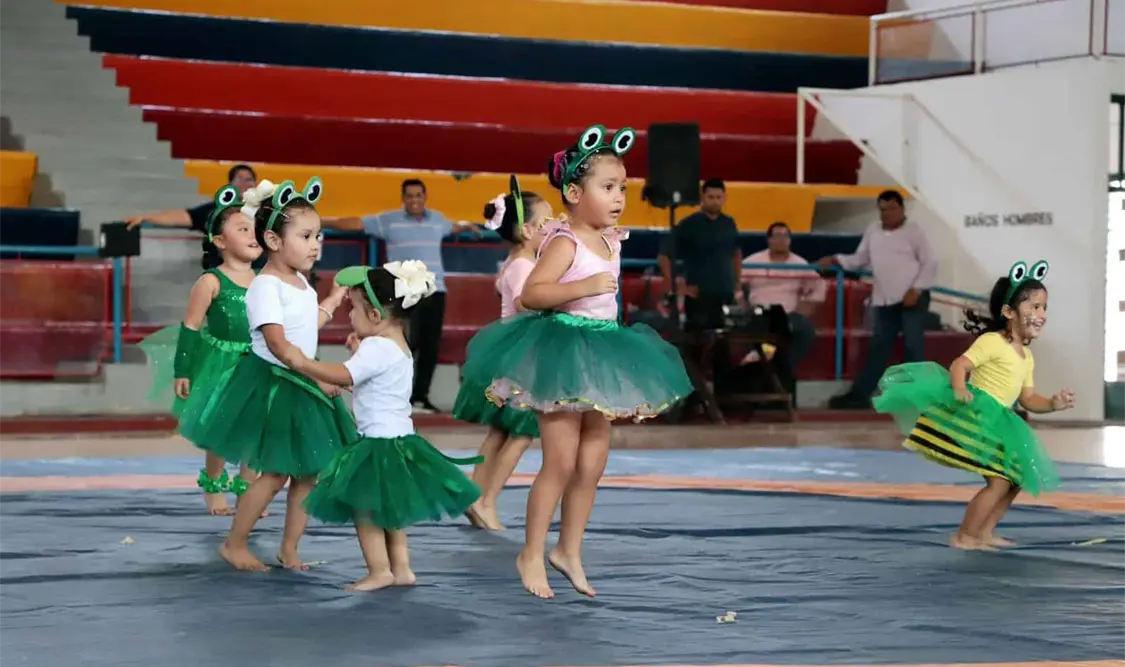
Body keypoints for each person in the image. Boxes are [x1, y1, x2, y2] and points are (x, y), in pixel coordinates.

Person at [458, 124, 693, 599]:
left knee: (592, 462)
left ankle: (568, 549)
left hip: (602, 352)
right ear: (572, 192)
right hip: (563, 353)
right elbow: (532, 294)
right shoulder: (564, 241)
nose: (619, 197)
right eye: (608, 188)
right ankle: (530, 551)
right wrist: (582, 288)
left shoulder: (612, 240)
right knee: (559, 461)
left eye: (622, 188)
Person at [187, 177, 357, 572]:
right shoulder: (264, 285)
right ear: (275, 241)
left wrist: (330, 302)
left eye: (319, 235)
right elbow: (279, 345)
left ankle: (290, 548)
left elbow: (304, 327)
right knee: (276, 471)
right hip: (279, 384)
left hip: (302, 380)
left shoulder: (300, 282)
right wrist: (319, 375)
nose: (316, 244)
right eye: (306, 235)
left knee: (308, 472)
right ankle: (235, 542)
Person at [282, 263, 482, 592]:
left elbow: (346, 376)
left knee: (365, 508)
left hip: (377, 443)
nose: (350, 317)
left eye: (354, 310)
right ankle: (401, 568)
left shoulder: (376, 348)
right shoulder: (398, 345)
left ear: (375, 315)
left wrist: (304, 363)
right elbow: (372, 383)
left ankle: (379, 570)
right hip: (401, 440)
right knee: (391, 510)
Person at [872, 260, 1073, 550]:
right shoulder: (992, 342)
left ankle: (984, 532)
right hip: (978, 416)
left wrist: (1053, 403)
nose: (1040, 314)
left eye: (1043, 308)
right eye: (1033, 307)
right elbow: (960, 364)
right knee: (999, 481)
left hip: (1001, 420)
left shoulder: (1026, 356)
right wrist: (959, 387)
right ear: (1008, 312)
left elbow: (1028, 399)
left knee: (1014, 480)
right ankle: (965, 535)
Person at [137, 183, 263, 515]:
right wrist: (183, 369)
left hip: (258, 364)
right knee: (219, 431)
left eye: (255, 229)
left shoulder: (266, 280)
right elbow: (190, 327)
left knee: (254, 432)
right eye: (242, 229)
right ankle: (214, 487)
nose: (253, 235)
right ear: (220, 241)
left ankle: (248, 494)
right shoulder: (211, 281)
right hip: (221, 363)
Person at [321, 179, 481, 414]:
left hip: (436, 291)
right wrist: (321, 221)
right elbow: (355, 223)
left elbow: (454, 226)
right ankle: (401, 398)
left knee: (430, 346)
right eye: (410, 196)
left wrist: (467, 225)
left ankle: (420, 398)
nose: (414, 200)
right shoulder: (389, 220)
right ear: (403, 198)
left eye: (419, 195)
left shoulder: (437, 219)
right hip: (405, 295)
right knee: (407, 342)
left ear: (425, 197)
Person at [452, 176, 553, 531]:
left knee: (499, 429)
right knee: (523, 432)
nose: (553, 228)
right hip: (522, 355)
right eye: (547, 223)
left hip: (510, 352)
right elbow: (530, 305)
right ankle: (488, 499)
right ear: (527, 231)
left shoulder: (514, 262)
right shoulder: (525, 267)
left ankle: (476, 496)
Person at [818, 190, 937, 408]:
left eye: (891, 209)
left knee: (912, 346)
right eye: (882, 210)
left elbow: (930, 263)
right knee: (878, 347)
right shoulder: (873, 230)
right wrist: (836, 259)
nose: (886, 214)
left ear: (901, 208)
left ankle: (918, 396)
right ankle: (860, 395)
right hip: (883, 300)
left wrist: (916, 289)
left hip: (912, 298)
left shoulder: (914, 232)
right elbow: (860, 259)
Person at [742, 221, 825, 377]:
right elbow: (735, 285)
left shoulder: (799, 264)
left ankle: (777, 364)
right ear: (769, 239)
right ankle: (773, 366)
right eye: (777, 236)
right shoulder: (753, 262)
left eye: (785, 236)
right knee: (756, 324)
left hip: (789, 315)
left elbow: (819, 287)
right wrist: (742, 304)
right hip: (759, 313)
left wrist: (807, 306)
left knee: (806, 329)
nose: (781, 240)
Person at [657, 178, 742, 330]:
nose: (715, 201)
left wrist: (737, 283)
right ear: (702, 198)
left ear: (724, 198)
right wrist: (674, 286)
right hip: (698, 296)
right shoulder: (689, 224)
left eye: (719, 197)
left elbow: (736, 253)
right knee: (697, 343)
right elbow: (664, 256)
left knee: (724, 343)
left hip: (726, 293)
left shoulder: (729, 223)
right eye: (711, 197)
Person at [124, 164, 258, 231]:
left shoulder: (266, 210)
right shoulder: (215, 212)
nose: (245, 184)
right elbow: (182, 216)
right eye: (240, 179)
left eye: (249, 180)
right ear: (229, 186)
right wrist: (145, 217)